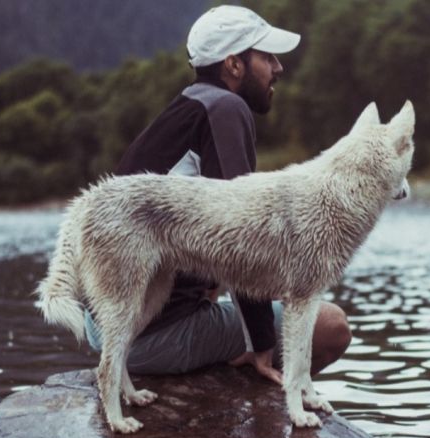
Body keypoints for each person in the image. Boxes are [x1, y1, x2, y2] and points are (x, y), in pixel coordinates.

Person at [91, 5, 351, 385]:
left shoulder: (189, 107)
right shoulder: (226, 109)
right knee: (330, 326)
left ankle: (227, 390)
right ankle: (264, 404)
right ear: (233, 65)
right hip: (144, 335)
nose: (277, 67)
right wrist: (260, 341)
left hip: (109, 322)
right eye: (266, 57)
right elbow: (244, 238)